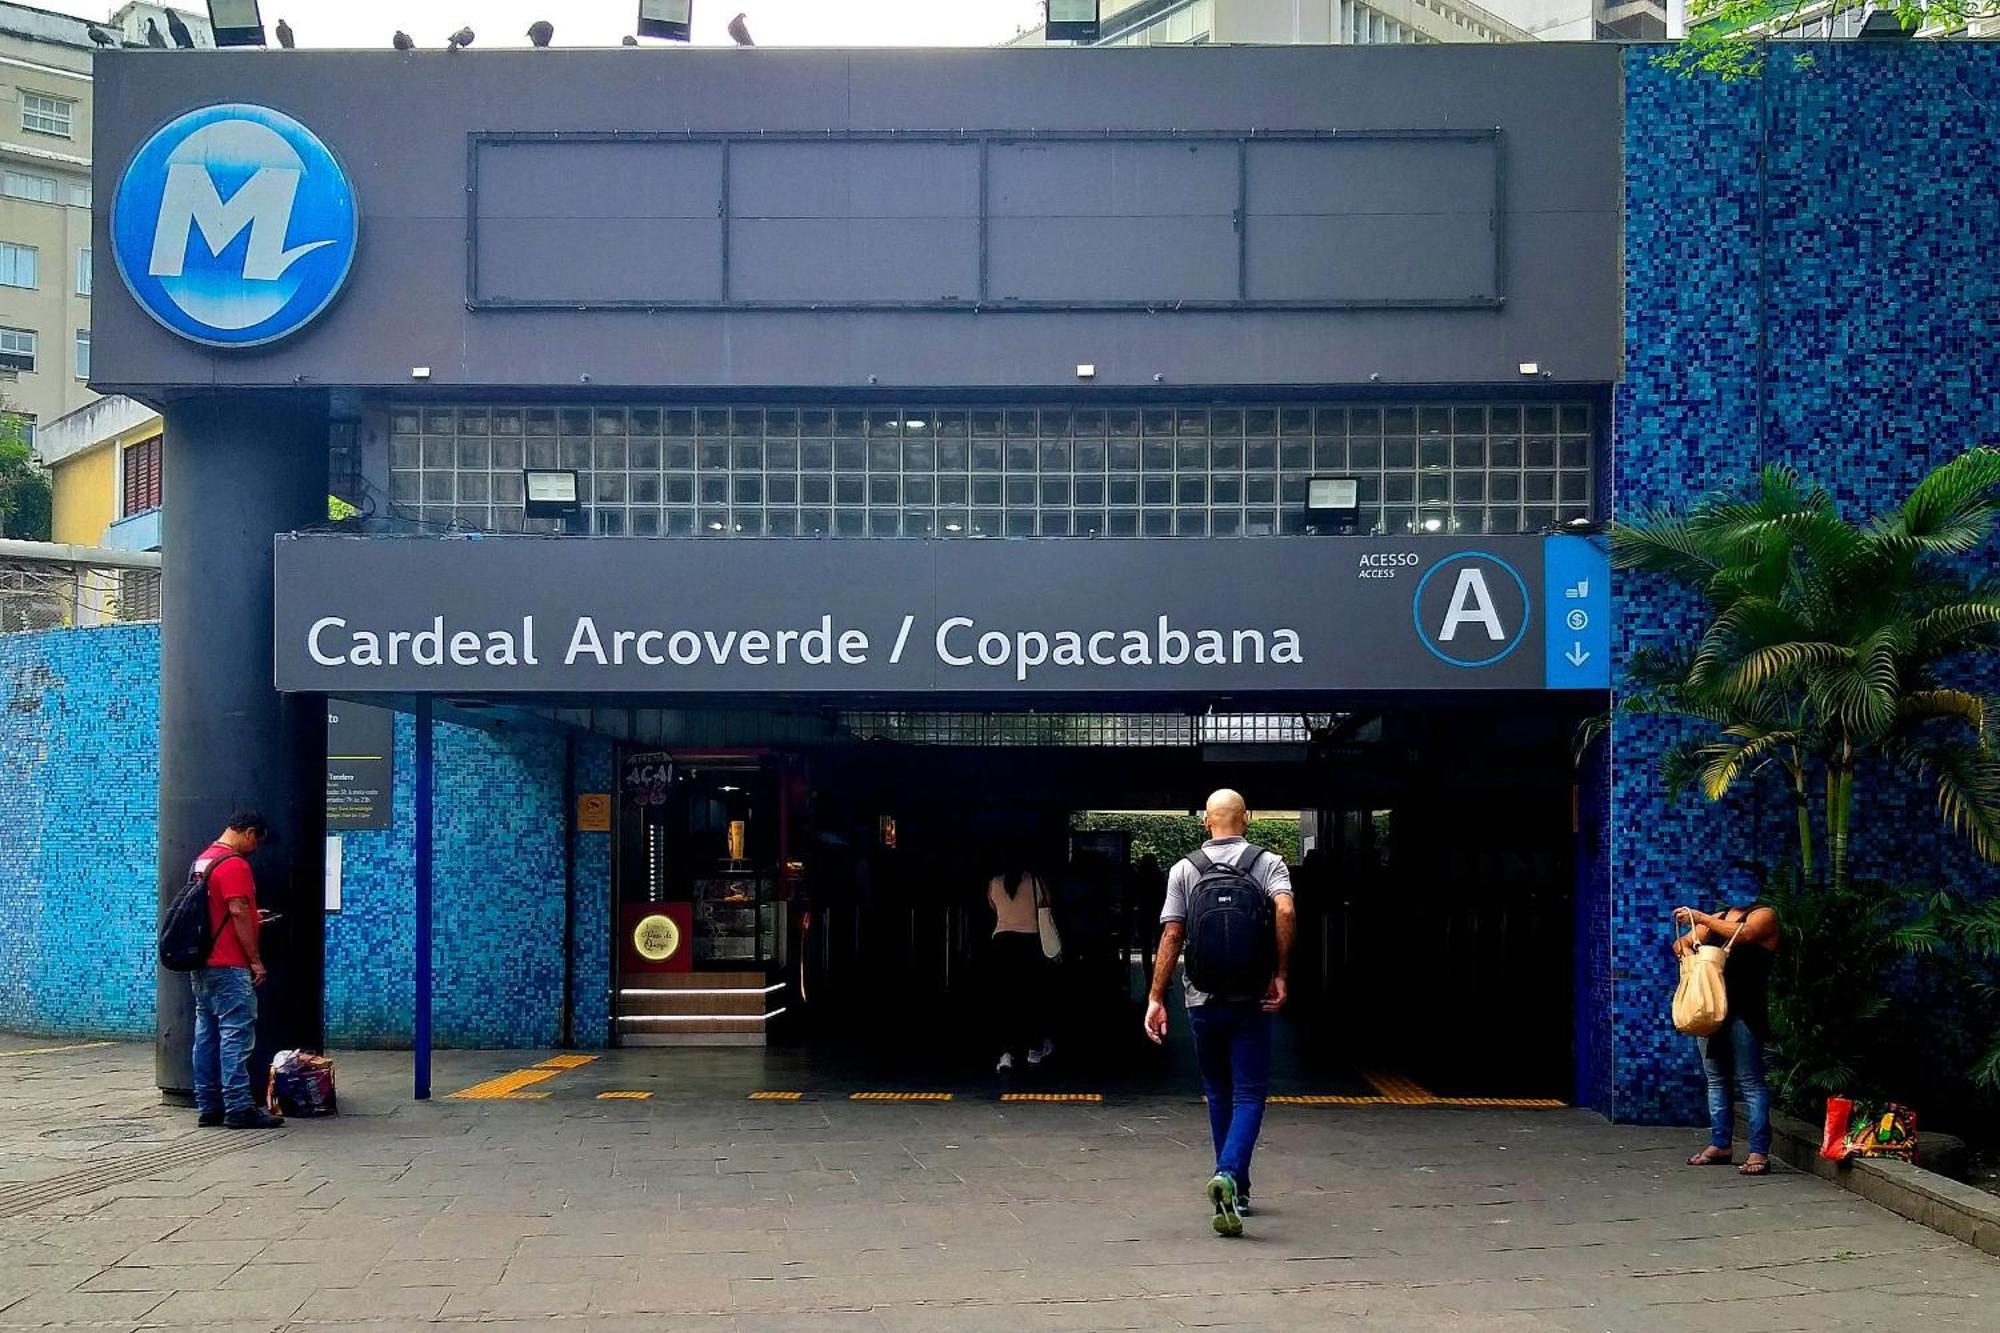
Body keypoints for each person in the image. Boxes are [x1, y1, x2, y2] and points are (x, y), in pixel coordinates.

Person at [1146, 790, 1296, 1236]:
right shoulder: (1269, 863)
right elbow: (1285, 908)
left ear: (1205, 823)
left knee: (1217, 1091)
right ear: (1246, 819)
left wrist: (1156, 997)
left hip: (1202, 999)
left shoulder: (1184, 869)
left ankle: (1236, 1184)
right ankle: (1231, 1177)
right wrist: (1281, 973)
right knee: (1250, 1094)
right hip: (1250, 998)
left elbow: (1172, 936)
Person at [190, 813, 284, 1129]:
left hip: (202, 964)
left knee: (206, 1033)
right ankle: (239, 1107)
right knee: (235, 1033)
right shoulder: (234, 864)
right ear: (249, 832)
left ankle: (208, 1105)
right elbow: (237, 912)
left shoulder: (203, 861)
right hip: (229, 964)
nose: (255, 847)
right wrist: (255, 960)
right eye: (257, 840)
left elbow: (218, 910)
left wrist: (248, 914)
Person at [1675, 902, 1779, 1176]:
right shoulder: (1717, 917)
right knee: (1716, 1079)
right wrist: (1686, 947)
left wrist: (1700, 918)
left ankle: (1758, 1151)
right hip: (1709, 1010)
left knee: (1750, 1082)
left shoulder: (1764, 915)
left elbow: (1742, 934)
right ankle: (1720, 1145)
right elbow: (1682, 942)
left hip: (1745, 1012)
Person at [988, 853, 1055, 1073]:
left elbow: (994, 908)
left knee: (1004, 999)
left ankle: (1005, 1054)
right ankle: (1034, 1050)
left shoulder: (994, 883)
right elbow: (1047, 903)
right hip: (1029, 943)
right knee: (1031, 998)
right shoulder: (1035, 881)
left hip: (1001, 943)